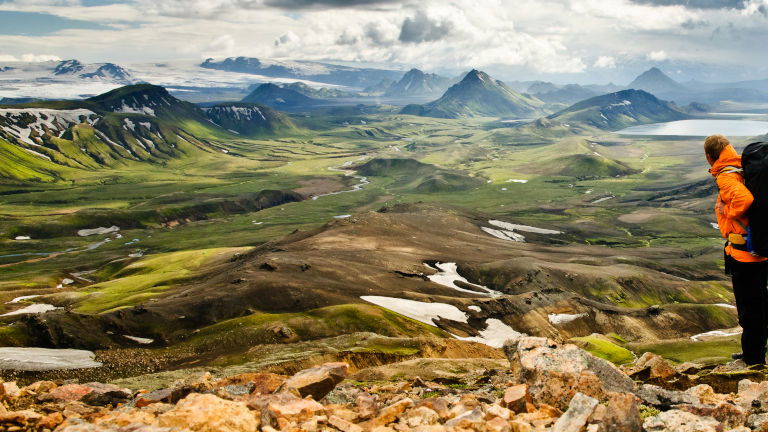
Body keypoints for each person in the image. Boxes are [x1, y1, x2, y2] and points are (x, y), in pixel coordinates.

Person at [706, 134, 768, 365]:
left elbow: (744, 200)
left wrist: (727, 211)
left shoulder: (727, 176)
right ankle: (753, 351)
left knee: (749, 308)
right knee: (757, 304)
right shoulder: (742, 168)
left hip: (744, 255)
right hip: (756, 248)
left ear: (710, 156)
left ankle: (754, 359)